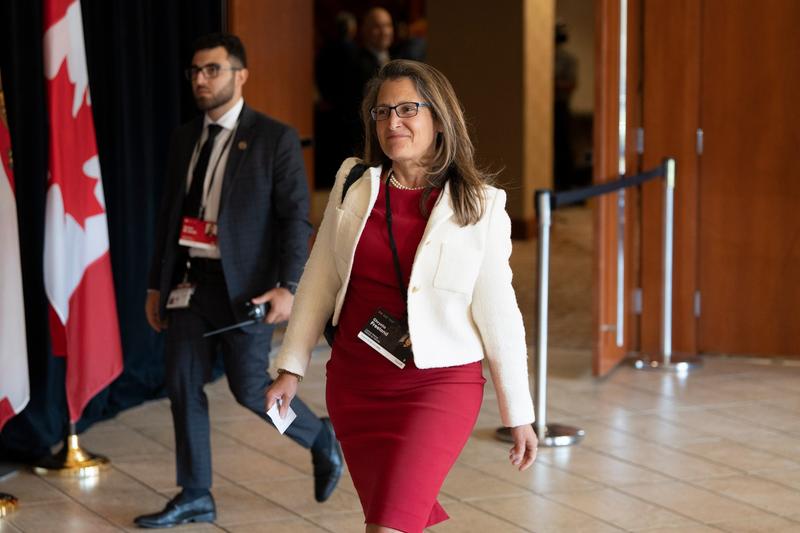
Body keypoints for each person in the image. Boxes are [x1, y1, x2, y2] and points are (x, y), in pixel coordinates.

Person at [267, 60, 538, 533]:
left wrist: (519, 414)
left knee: (388, 524)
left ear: (439, 117)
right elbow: (319, 278)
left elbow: (500, 316)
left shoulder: (480, 204)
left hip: (438, 385)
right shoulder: (355, 184)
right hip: (356, 383)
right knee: (393, 516)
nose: (393, 123)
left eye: (408, 109)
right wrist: (291, 367)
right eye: (382, 111)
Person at [135, 32, 342, 529]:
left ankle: (317, 435)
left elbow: (296, 218)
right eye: (195, 72)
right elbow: (170, 216)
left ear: (240, 74)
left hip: (248, 287)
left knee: (252, 390)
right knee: (181, 383)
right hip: (191, 282)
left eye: (213, 70)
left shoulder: (275, 138)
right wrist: (155, 285)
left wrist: (289, 287)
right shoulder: (185, 137)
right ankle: (195, 494)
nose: (201, 80)